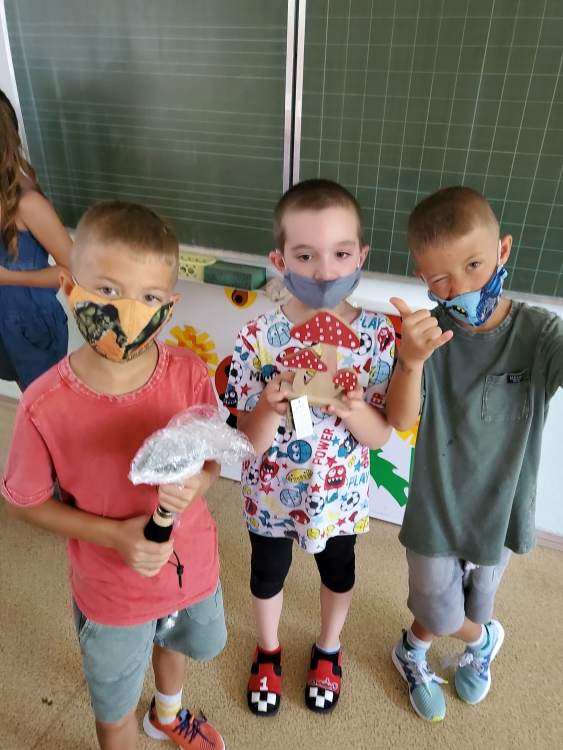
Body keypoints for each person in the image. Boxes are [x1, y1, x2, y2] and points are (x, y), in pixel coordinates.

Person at [2, 202, 226, 750]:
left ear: (168, 306)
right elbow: (26, 501)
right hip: (112, 591)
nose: (127, 311)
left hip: (188, 566)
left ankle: (167, 714)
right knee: (113, 707)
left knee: (177, 641)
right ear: (69, 286)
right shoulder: (44, 404)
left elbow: (211, 457)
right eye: (106, 290)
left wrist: (200, 483)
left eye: (148, 298)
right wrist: (115, 536)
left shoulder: (188, 373)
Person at [385, 185, 563, 723]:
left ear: (503, 250)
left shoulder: (540, 332)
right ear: (422, 277)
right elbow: (400, 420)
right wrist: (410, 360)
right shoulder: (427, 334)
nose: (460, 288)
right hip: (436, 505)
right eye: (440, 279)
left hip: (500, 508)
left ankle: (415, 649)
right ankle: (482, 641)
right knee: (439, 606)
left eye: (474, 266)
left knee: (477, 597)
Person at [229, 178, 394, 716]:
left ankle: (328, 647)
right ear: (281, 260)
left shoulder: (377, 337)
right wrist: (268, 406)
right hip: (270, 494)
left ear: (361, 256)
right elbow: (247, 442)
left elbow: (380, 436)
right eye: (305, 256)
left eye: (341, 254)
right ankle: (268, 649)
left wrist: (352, 408)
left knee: (338, 573)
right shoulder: (257, 337)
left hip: (339, 496)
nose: (324, 271)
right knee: (266, 574)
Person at [0, 89, 72, 389]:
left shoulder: (27, 204)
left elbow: (73, 272)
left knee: (46, 404)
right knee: (29, 401)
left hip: (31, 328)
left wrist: (8, 278)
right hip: (4, 322)